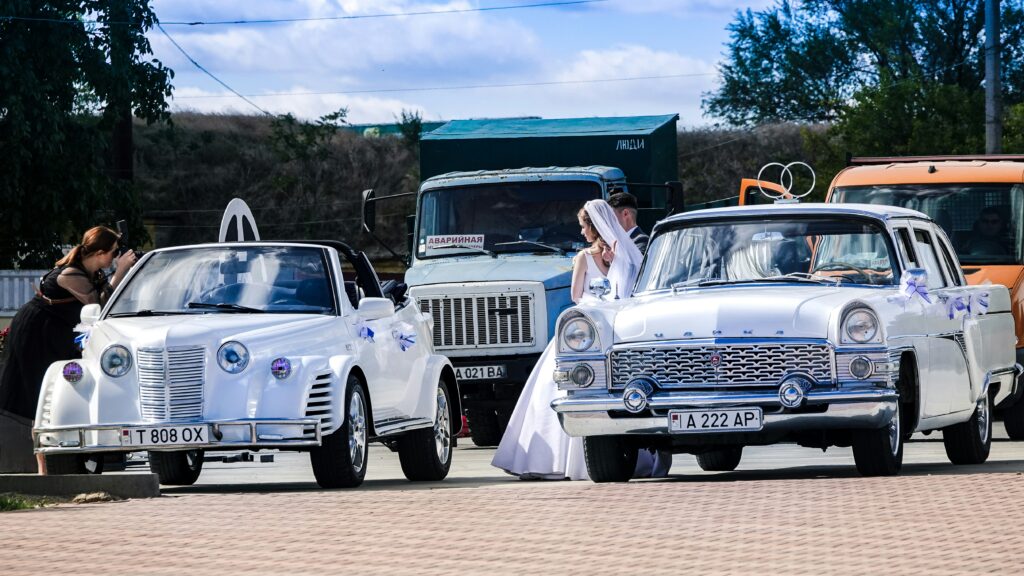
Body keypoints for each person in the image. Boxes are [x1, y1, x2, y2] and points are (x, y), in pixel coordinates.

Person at [492, 199, 666, 480]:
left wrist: (595, 302)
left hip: (588, 326)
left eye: (583, 227)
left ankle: (553, 461)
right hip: (614, 328)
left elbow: (575, 296)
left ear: (593, 228)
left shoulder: (584, 257)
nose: (582, 232)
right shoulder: (626, 254)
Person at [0, 226, 137, 473]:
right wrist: (121, 271)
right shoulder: (70, 274)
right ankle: (43, 468)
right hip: (36, 335)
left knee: (60, 394)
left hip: (55, 333)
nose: (115, 257)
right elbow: (98, 304)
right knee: (41, 399)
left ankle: (52, 464)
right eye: (113, 252)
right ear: (100, 252)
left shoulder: (89, 272)